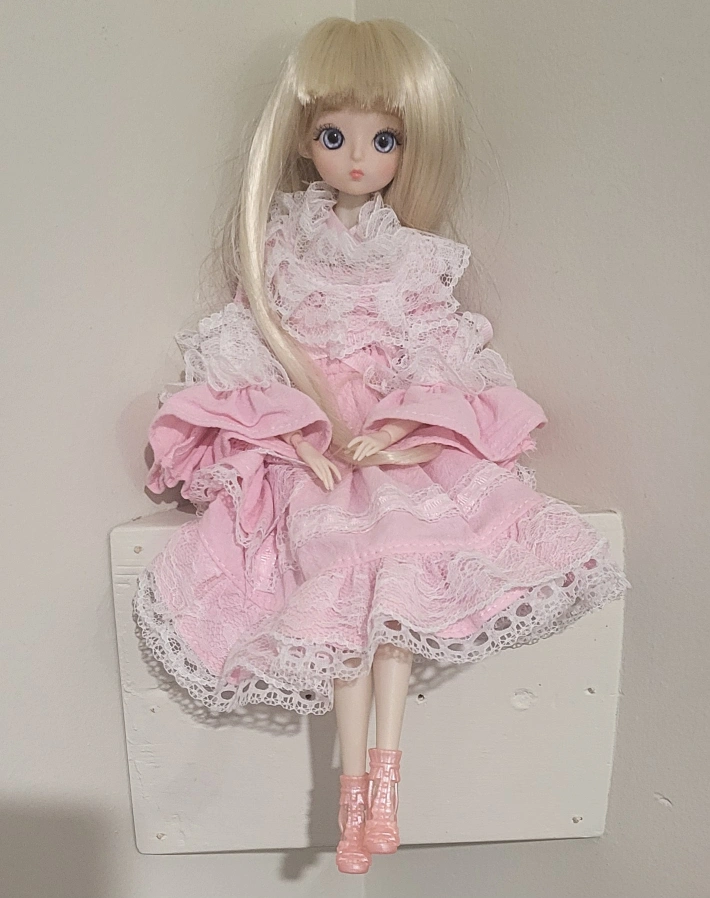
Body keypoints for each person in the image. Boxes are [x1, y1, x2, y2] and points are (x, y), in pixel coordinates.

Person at [134, 17, 629, 874]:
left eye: (384, 139)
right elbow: (250, 341)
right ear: (303, 141)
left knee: (394, 597)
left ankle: (385, 786)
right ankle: (352, 793)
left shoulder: (412, 259)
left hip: (386, 446)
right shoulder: (282, 246)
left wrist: (401, 430)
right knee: (342, 602)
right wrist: (298, 436)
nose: (358, 158)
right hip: (319, 441)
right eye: (335, 136)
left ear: (410, 147)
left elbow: (436, 347)